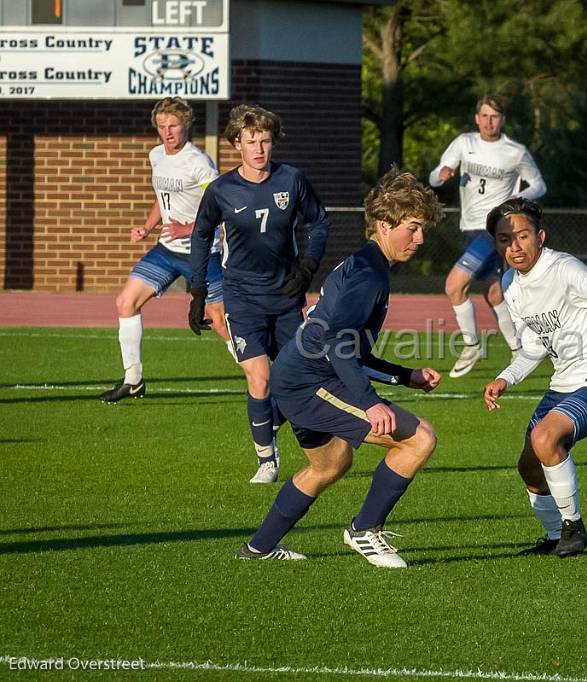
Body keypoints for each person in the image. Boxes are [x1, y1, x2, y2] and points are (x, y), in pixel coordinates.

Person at [235, 167, 444, 566]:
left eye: (422, 230)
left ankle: (257, 548)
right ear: (384, 224)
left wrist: (406, 377)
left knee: (331, 463)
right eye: (412, 228)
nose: (419, 239)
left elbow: (350, 347)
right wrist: (369, 402)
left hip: (298, 377)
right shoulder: (368, 275)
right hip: (311, 382)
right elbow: (336, 345)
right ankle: (365, 530)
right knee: (420, 439)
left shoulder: (367, 264)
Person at [482, 198, 587, 558]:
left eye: (522, 236)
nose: (514, 247)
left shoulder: (564, 269)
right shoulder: (511, 285)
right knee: (529, 466)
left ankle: (573, 527)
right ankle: (555, 537)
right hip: (562, 385)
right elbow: (532, 346)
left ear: (540, 236)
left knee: (545, 436)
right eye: (505, 240)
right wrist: (505, 378)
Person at [188, 104, 331, 483]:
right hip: (242, 298)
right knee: (260, 378)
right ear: (237, 143)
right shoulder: (221, 190)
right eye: (251, 141)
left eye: (265, 141)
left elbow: (320, 221)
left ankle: (268, 423)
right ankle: (266, 459)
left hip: (286, 297)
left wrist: (307, 268)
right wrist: (198, 290)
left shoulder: (292, 180)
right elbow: (201, 236)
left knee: (291, 381)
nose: (259, 149)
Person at [100, 97, 229, 403]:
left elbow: (219, 204)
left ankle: (264, 378)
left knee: (219, 321)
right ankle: (133, 380)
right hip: (167, 250)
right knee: (125, 302)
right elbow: (162, 196)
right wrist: (147, 227)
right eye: (161, 126)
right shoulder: (156, 155)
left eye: (173, 125)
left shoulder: (199, 162)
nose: (167, 132)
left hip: (202, 253)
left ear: (186, 125)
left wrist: (190, 228)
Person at [429, 94, 547, 378]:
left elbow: (539, 185)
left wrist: (520, 197)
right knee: (494, 292)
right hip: (468, 227)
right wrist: (442, 174)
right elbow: (434, 177)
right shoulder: (464, 143)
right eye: (484, 115)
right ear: (476, 118)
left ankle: (471, 345)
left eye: (494, 116)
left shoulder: (514, 151)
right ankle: (519, 350)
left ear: (502, 120)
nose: (488, 121)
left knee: (454, 286)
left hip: (495, 227)